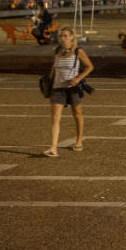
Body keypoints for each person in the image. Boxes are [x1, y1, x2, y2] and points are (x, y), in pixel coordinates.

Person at [44, 27, 94, 157]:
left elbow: (90, 66)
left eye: (65, 36)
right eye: (61, 36)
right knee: (55, 118)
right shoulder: (57, 50)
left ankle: (78, 141)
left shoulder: (78, 51)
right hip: (57, 88)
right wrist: (48, 81)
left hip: (73, 88)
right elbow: (54, 68)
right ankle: (53, 147)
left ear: (72, 37)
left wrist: (78, 78)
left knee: (77, 114)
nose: (62, 38)